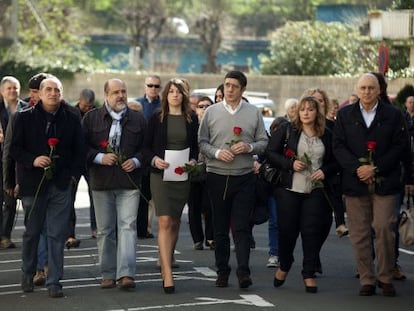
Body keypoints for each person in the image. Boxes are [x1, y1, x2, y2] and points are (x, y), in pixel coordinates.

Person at [333, 73, 410, 297]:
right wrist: (358, 168)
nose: (366, 92)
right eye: (363, 88)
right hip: (355, 182)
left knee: (385, 228)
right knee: (359, 233)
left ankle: (385, 276)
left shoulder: (393, 115)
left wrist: (375, 168)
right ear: (357, 90)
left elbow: (400, 147)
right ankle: (366, 278)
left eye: (371, 88)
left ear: (379, 90)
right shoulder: (345, 114)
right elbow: (337, 145)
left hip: (386, 182)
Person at [10, 76, 84, 298]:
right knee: (32, 233)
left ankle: (54, 282)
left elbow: (79, 153)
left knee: (57, 235)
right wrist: (33, 160)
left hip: (61, 185)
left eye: (57, 90)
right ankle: (27, 272)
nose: (53, 93)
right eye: (49, 90)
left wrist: (71, 176)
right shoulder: (22, 118)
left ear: (62, 94)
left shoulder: (72, 118)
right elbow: (13, 149)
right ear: (39, 94)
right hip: (33, 185)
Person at [199, 70, 268, 289]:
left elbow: (263, 142)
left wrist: (248, 147)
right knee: (220, 227)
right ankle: (222, 270)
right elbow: (202, 143)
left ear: (243, 89)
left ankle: (243, 271)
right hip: (217, 176)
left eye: (234, 86)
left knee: (241, 227)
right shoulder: (211, 112)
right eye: (227, 85)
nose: (229, 89)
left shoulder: (254, 113)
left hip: (244, 177)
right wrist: (218, 153)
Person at [266, 96, 338, 294]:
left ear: (317, 113)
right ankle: (285, 264)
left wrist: (325, 171)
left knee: (311, 231)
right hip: (289, 189)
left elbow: (335, 160)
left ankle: (308, 273)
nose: (306, 113)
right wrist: (290, 164)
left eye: (310, 109)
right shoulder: (287, 130)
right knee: (287, 231)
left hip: (315, 190)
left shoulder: (327, 133)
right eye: (302, 109)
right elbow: (270, 153)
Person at [83, 78, 146, 290]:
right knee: (105, 230)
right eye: (116, 92)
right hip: (101, 182)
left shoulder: (138, 118)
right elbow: (81, 148)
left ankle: (126, 274)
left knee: (128, 227)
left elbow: (147, 148)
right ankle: (107, 274)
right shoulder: (91, 118)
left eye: (124, 92)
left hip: (130, 183)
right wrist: (100, 157)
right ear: (106, 95)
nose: (121, 96)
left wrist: (136, 161)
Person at [143, 78, 198, 294]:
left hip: (182, 174)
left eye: (178, 92)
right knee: (164, 220)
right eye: (171, 92)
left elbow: (194, 147)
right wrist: (154, 160)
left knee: (174, 221)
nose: (175, 95)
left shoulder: (191, 118)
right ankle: (167, 272)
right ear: (165, 95)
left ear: (184, 96)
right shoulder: (157, 118)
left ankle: (167, 255)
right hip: (160, 175)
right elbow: (145, 148)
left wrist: (193, 161)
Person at [0, 76, 27, 250]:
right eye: (9, 88)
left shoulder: (26, 109)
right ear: (2, 91)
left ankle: (5, 236)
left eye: (15, 88)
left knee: (10, 201)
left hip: (16, 161)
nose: (12, 91)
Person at [135, 74, 162, 240]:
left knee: (155, 198)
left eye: (156, 86)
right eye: (150, 85)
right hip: (141, 155)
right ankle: (142, 228)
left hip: (159, 155)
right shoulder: (136, 104)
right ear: (145, 86)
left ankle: (148, 227)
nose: (153, 88)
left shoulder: (164, 105)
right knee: (143, 196)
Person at [70, 88, 97, 240]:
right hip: (75, 161)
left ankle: (96, 228)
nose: (87, 109)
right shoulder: (70, 113)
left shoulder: (96, 114)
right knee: (70, 197)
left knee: (95, 195)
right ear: (79, 101)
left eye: (90, 106)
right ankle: (70, 233)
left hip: (90, 160)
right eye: (85, 105)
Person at [188, 96, 214, 250]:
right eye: (201, 106)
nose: (204, 108)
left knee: (210, 205)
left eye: (207, 106)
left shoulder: (215, 126)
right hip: (193, 169)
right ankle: (197, 238)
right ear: (196, 109)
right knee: (194, 206)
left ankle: (210, 237)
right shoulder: (190, 125)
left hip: (211, 169)